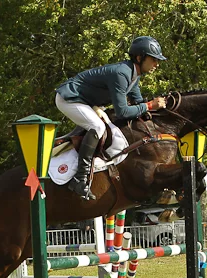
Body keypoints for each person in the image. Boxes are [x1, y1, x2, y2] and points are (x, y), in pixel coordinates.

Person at [55, 36, 168, 200]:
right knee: (98, 127)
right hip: (70, 98)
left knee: (105, 126)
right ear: (139, 57)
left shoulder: (133, 75)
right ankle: (80, 178)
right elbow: (122, 111)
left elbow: (139, 104)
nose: (156, 65)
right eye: (153, 60)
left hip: (86, 102)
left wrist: (156, 109)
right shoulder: (122, 73)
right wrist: (151, 105)